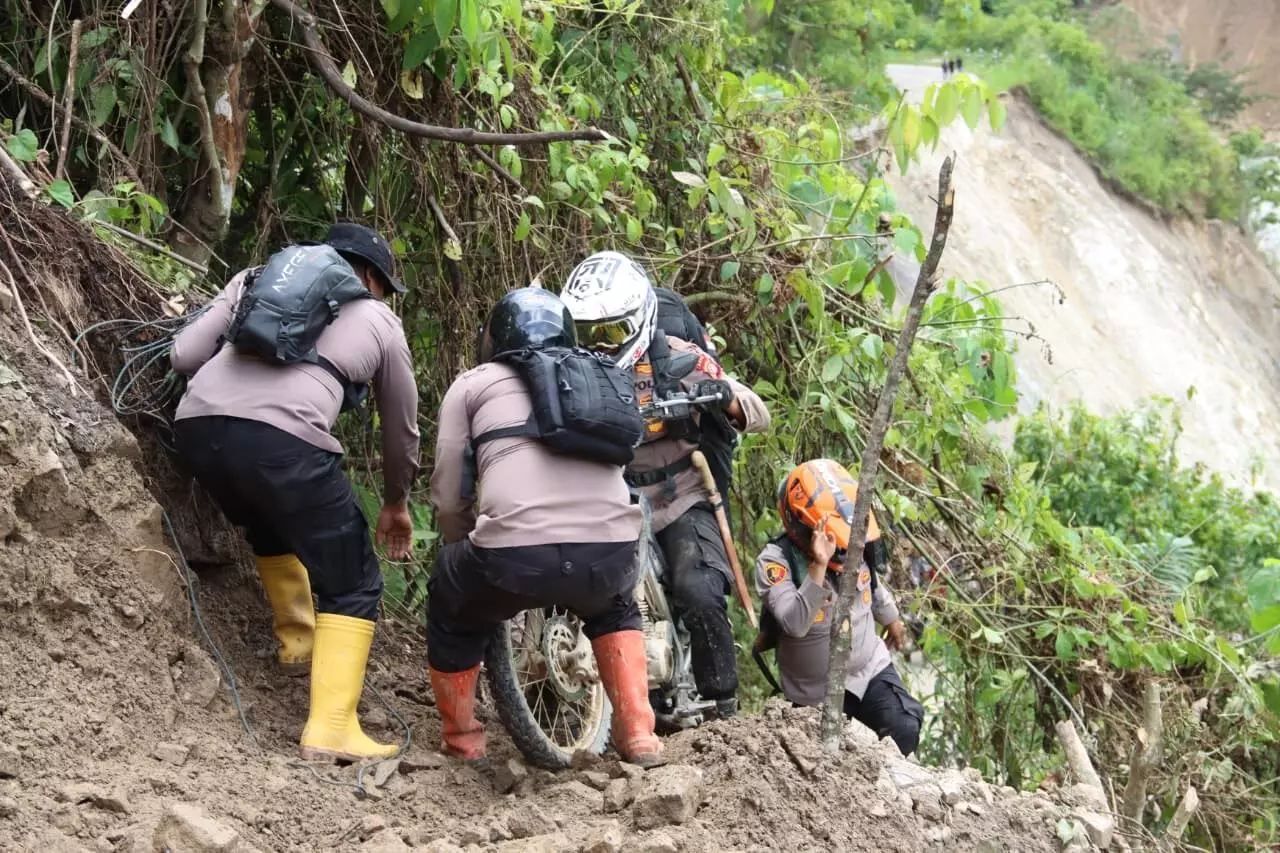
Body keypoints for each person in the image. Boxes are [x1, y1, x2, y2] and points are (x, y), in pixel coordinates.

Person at [169, 221, 420, 763]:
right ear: (372, 277)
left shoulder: (253, 280)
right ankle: (331, 728)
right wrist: (396, 502)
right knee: (352, 579)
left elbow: (184, 357)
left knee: (269, 519)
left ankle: (299, 645)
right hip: (283, 443)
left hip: (196, 430)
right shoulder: (378, 317)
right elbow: (401, 429)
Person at [427, 286, 663, 768]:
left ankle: (462, 741)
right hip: (611, 550)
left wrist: (465, 544)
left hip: (512, 558)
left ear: (492, 340)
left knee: (451, 599)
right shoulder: (601, 375)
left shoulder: (473, 383)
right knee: (617, 607)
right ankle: (638, 733)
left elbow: (449, 491)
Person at [560, 251, 771, 719]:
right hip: (608, 496)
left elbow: (758, 414)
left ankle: (723, 707)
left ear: (637, 321)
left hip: (681, 494)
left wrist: (725, 399)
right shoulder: (569, 371)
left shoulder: (677, 358)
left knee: (698, 588)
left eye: (610, 332)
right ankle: (634, 706)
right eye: (586, 333)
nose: (598, 345)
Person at [754, 459, 924, 756]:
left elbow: (871, 581)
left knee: (904, 728)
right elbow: (794, 622)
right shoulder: (775, 561)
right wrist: (818, 566)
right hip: (814, 693)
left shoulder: (855, 542)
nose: (843, 551)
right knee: (827, 760)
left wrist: (892, 619)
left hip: (867, 671)